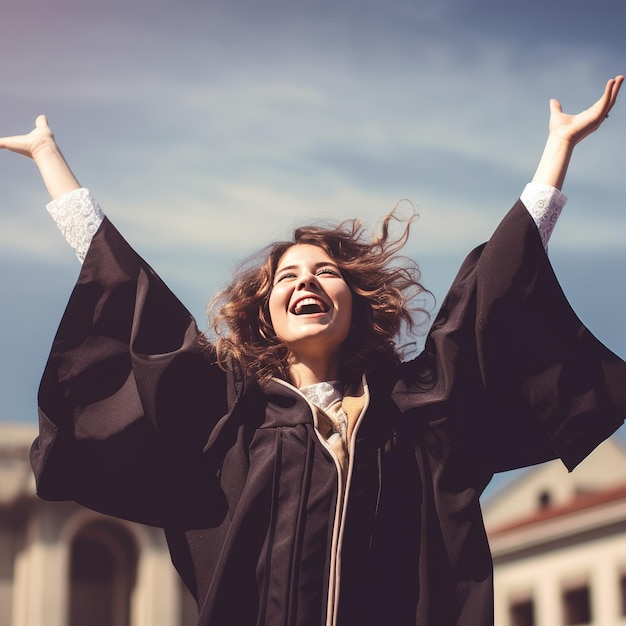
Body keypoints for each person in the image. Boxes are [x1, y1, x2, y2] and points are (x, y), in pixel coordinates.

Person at [1, 76, 625, 626]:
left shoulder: (415, 412)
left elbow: (492, 295)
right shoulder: (229, 419)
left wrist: (557, 153)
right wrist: (51, 160)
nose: (304, 281)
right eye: (287, 276)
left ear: (355, 301)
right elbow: (132, 300)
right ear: (266, 314)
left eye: (325, 272)